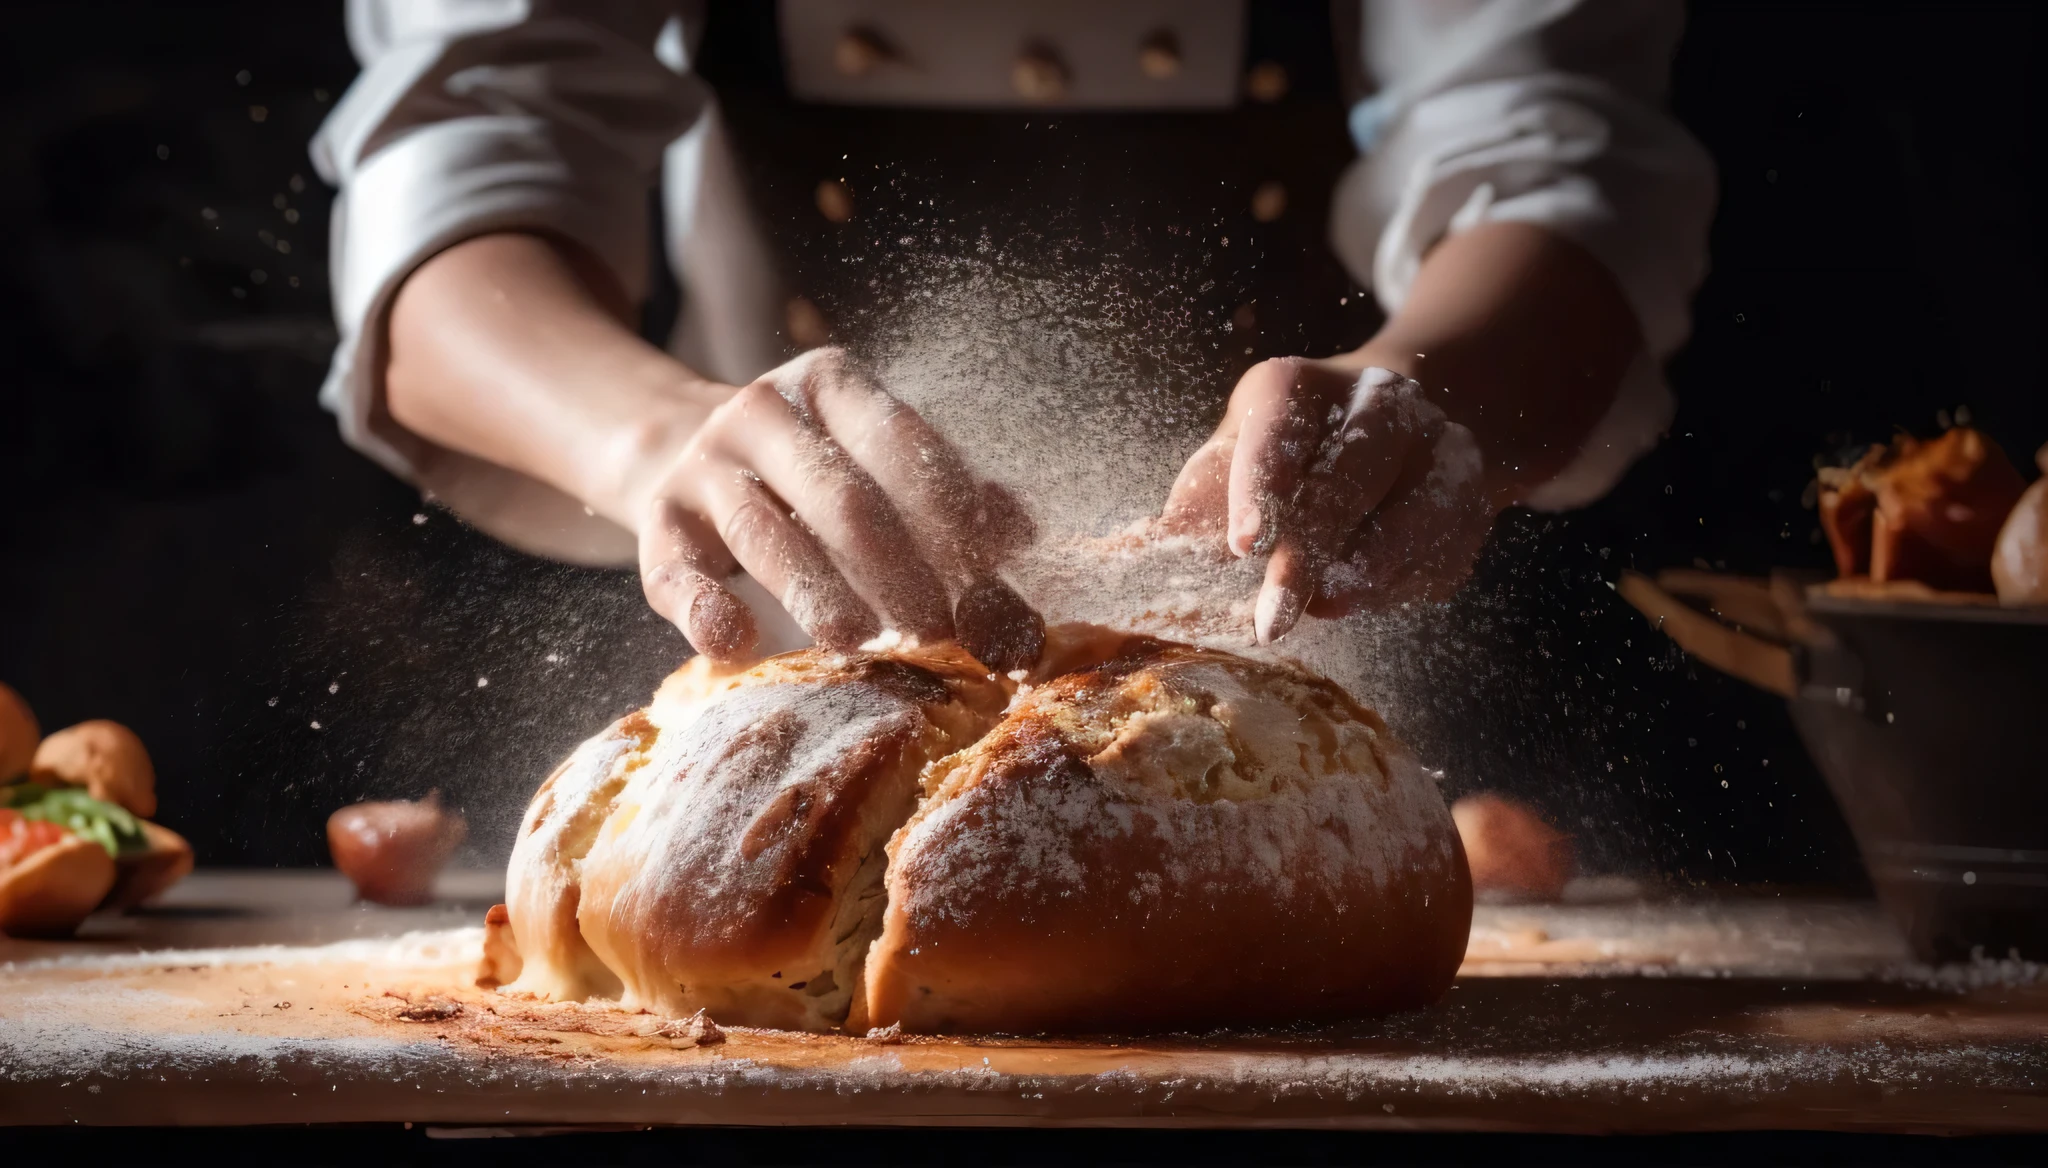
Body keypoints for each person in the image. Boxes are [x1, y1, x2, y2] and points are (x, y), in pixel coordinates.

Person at [311, 1, 1714, 669]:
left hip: (1316, 663)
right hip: (801, 646)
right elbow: (468, 150)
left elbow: (1550, 146)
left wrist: (1422, 394)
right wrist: (652, 434)